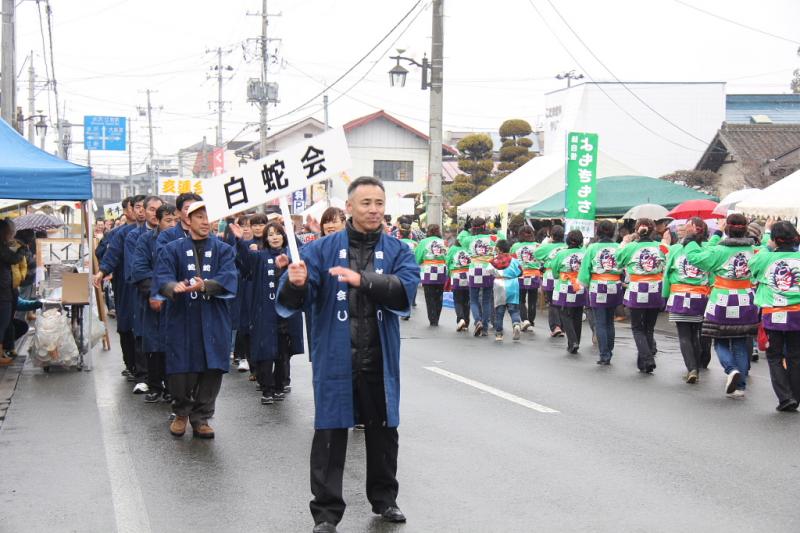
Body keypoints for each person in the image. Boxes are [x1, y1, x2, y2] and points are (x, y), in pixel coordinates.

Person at [277, 176, 419, 533]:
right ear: (349, 208)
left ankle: (385, 499)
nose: (374, 210)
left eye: (379, 203)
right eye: (366, 203)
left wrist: (363, 280)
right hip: (336, 356)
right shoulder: (322, 250)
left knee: (384, 430)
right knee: (330, 431)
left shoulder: (398, 250)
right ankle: (325, 512)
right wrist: (295, 283)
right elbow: (300, 294)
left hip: (379, 354)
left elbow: (405, 288)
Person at [154, 201, 237, 438]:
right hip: (182, 316)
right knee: (181, 368)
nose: (204, 221)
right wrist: (173, 286)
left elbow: (229, 278)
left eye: (208, 217)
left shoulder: (223, 250)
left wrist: (206, 286)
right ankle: (181, 413)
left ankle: (201, 417)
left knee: (213, 367)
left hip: (214, 316)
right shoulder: (171, 249)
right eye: (199, 216)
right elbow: (162, 276)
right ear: (188, 220)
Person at [684, 213, 759, 398]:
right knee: (741, 341)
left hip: (722, 299)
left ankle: (731, 369)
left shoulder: (718, 251)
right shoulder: (756, 251)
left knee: (720, 340)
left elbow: (696, 257)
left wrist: (691, 239)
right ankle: (740, 387)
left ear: (727, 228)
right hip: (747, 299)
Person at [231, 220, 303, 404]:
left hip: (285, 313)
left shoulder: (293, 256)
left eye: (278, 233)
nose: (274, 237)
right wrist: (240, 240)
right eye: (270, 234)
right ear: (265, 238)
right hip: (265, 313)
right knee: (265, 352)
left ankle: (279, 385)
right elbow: (245, 261)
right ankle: (267, 389)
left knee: (282, 351)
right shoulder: (260, 257)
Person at [749, 219, 800, 411]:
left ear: (774, 240)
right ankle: (795, 396)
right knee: (796, 355)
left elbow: (752, 267)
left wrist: (766, 246)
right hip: (797, 312)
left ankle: (785, 397)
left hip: (774, 312)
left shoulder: (765, 257)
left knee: (774, 355)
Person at [94, 196, 145, 381]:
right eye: (136, 207)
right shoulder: (120, 233)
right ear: (128, 209)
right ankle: (131, 365)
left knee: (145, 327)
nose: (140, 211)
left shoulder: (156, 232)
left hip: (147, 287)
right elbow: (109, 253)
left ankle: (146, 370)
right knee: (126, 325)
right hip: (125, 284)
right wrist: (103, 270)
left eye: (143, 207)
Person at [131, 203, 177, 403]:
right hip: (153, 300)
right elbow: (140, 270)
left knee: (172, 345)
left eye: (176, 220)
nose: (173, 224)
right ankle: (155, 384)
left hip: (176, 301)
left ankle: (172, 387)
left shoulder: (182, 240)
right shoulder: (145, 240)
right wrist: (158, 292)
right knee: (153, 344)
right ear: (158, 221)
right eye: (168, 220)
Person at [661, 217, 711, 383]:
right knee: (696, 333)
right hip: (701, 296)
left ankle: (692, 368)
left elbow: (667, 272)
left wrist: (665, 293)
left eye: (686, 226)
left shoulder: (676, 249)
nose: (682, 227)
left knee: (684, 335)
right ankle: (695, 366)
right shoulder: (708, 249)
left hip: (680, 295)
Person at [615, 218, 667, 374]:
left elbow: (618, 260)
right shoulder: (661, 247)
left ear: (637, 230)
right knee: (649, 328)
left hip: (637, 288)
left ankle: (648, 358)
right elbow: (669, 261)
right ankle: (643, 363)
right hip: (656, 288)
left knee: (637, 328)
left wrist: (624, 244)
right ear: (652, 230)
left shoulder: (631, 247)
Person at [125, 195, 163, 394]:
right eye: (151, 209)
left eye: (159, 209)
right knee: (143, 333)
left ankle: (161, 380)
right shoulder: (136, 236)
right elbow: (136, 269)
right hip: (144, 291)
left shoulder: (173, 236)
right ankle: (143, 376)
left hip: (167, 295)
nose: (155, 213)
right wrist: (156, 290)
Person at [578, 220, 623, 364]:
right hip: (615, 285)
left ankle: (604, 354)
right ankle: (609, 350)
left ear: (598, 231)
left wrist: (584, 283)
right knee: (610, 321)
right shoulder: (619, 247)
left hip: (598, 286)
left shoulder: (592, 248)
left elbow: (585, 270)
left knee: (600, 322)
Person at [460, 217, 504, 337]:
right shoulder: (492, 238)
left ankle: (477, 321)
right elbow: (503, 239)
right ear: (485, 227)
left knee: (473, 299)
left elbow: (460, 238)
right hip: (488, 269)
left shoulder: (469, 239)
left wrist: (465, 229)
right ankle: (484, 327)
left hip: (474, 269)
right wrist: (497, 227)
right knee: (486, 300)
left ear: (473, 228)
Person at [549, 230, 586, 354]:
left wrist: (558, 275)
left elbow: (554, 271)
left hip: (564, 287)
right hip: (580, 286)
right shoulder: (585, 252)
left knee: (565, 314)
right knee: (577, 314)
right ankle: (575, 342)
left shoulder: (561, 254)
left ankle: (573, 341)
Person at [0, 220, 25, 366]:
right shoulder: (2, 247)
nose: (11, 234)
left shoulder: (3, 246)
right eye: (9, 232)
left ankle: (4, 351)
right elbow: (13, 258)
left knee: (5, 322)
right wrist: (22, 249)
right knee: (3, 323)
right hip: (2, 291)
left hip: (5, 289)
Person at [534, 225, 566, 338]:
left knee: (553, 302)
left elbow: (536, 254)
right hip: (564, 277)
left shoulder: (547, 247)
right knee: (562, 301)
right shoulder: (567, 246)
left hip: (550, 275)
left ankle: (555, 327)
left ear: (552, 236)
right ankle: (562, 326)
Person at [510, 225, 542, 333]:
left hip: (520, 275)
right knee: (532, 299)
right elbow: (542, 261)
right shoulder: (538, 246)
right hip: (534, 275)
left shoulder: (515, 246)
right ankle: (531, 321)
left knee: (520, 299)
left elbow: (512, 261)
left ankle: (525, 320)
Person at [415, 224, 448, 326]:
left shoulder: (424, 242)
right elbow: (448, 256)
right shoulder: (443, 242)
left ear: (428, 231)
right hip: (441, 270)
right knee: (439, 295)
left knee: (429, 296)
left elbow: (418, 258)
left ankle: (432, 319)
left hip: (428, 271)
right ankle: (437, 317)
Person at [490, 239, 522, 341]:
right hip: (513, 284)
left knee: (499, 311)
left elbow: (489, 270)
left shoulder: (495, 260)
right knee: (513, 309)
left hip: (499, 284)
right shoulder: (514, 260)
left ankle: (499, 334)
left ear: (499, 249)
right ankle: (516, 323)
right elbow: (520, 272)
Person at [445, 234, 471, 332]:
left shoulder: (453, 249)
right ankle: (466, 323)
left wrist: (448, 273)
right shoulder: (468, 248)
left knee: (458, 300)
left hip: (456, 275)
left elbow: (447, 261)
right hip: (469, 276)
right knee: (466, 300)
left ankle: (460, 319)